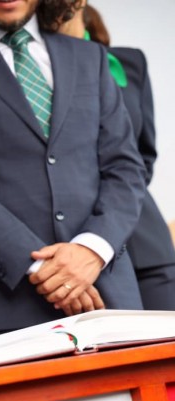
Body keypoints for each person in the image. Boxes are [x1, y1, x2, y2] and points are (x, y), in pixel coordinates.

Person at [0, 0, 147, 343]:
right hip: (0, 303)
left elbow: (125, 168)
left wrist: (91, 249)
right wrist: (43, 268)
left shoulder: (90, 59)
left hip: (106, 293)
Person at [59, 2, 175, 310]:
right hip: (75, 247)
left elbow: (144, 155)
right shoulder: (32, 73)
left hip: (146, 241)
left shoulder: (130, 62)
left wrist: (116, 204)